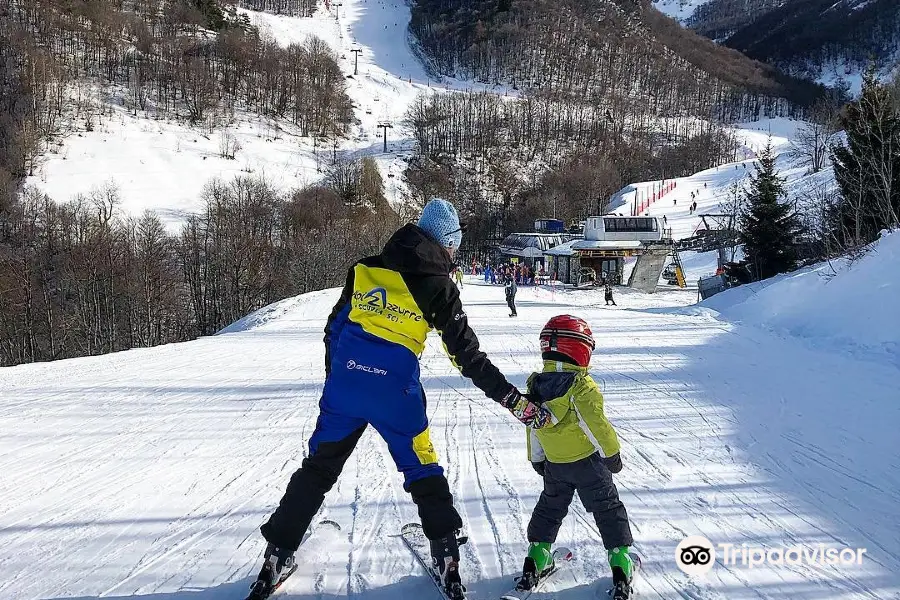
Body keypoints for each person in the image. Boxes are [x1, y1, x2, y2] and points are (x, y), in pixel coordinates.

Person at [251, 198, 551, 600]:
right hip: (397, 394)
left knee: (318, 470)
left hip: (345, 387)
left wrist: (338, 376)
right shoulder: (439, 286)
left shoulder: (364, 269)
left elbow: (334, 328)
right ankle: (446, 555)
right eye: (454, 248)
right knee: (422, 468)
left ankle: (276, 554)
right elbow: (469, 359)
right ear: (446, 244)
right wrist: (514, 401)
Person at [519, 315, 636, 599]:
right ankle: (620, 562)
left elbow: (534, 424)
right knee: (607, 507)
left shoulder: (536, 386)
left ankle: (536, 556)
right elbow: (598, 425)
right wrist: (612, 456)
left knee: (550, 507)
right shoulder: (582, 387)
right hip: (588, 464)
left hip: (555, 465)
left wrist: (537, 457)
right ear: (580, 350)